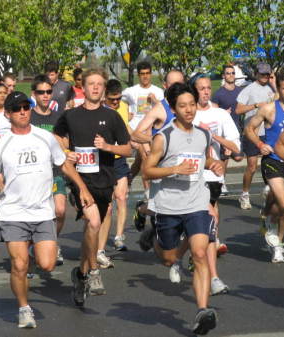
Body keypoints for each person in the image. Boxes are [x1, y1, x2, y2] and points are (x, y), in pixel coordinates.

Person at [0, 91, 91, 328]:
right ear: (7, 114)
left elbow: (64, 165)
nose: (22, 111)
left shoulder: (45, 138)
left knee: (47, 264)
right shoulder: (2, 144)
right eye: (16, 109)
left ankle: (29, 261)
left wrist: (82, 188)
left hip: (42, 213)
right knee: (19, 265)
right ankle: (24, 308)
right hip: (13, 214)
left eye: (25, 107)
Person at [141, 82, 222, 335]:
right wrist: (174, 169)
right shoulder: (163, 137)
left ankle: (202, 311)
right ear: (174, 109)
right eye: (183, 106)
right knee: (169, 258)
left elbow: (203, 156)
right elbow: (148, 170)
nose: (189, 110)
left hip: (197, 202)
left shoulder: (203, 134)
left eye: (192, 105)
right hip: (169, 206)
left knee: (199, 254)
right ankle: (152, 236)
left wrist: (214, 164)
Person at [54, 68, 131, 306]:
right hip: (79, 181)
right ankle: (94, 272)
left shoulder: (112, 117)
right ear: (83, 88)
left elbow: (128, 149)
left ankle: (80, 274)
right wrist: (67, 153)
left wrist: (108, 146)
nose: (96, 88)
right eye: (91, 84)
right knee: (95, 222)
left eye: (99, 84)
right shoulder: (71, 115)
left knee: (91, 227)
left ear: (103, 89)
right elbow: (56, 137)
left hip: (103, 181)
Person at [190, 74, 240, 293]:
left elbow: (236, 147)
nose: (206, 92)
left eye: (209, 88)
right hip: (191, 177)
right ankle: (213, 277)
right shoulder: (187, 115)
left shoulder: (220, 115)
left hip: (214, 178)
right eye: (201, 88)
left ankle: (202, 263)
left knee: (208, 227)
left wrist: (214, 137)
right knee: (211, 219)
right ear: (194, 91)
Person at [247, 67, 284, 263]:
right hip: (274, 161)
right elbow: (249, 129)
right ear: (278, 88)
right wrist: (260, 144)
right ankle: (271, 216)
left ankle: (278, 242)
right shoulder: (269, 109)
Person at [131, 69, 184, 231]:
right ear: (165, 86)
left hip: (183, 164)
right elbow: (136, 134)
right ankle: (142, 209)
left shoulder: (188, 106)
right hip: (162, 167)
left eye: (180, 84)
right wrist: (156, 141)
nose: (177, 87)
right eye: (173, 84)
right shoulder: (160, 109)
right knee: (159, 209)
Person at [30, 75, 67, 265]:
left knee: (60, 211)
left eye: (48, 91)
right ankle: (35, 246)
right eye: (41, 92)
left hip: (55, 172)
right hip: (34, 175)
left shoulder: (59, 117)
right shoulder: (27, 116)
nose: (45, 95)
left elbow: (66, 142)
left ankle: (52, 243)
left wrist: (65, 148)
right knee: (35, 215)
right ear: (33, 94)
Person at [96, 79, 132, 270]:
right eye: (112, 100)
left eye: (118, 99)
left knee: (122, 197)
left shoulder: (124, 108)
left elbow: (128, 131)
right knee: (107, 206)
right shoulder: (99, 112)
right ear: (105, 98)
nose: (116, 103)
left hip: (119, 159)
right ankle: (97, 244)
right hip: (104, 162)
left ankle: (119, 237)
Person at [236, 63, 276, 209]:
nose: (265, 77)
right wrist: (255, 105)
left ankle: (271, 193)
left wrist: (274, 83)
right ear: (256, 74)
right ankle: (245, 195)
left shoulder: (271, 88)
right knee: (252, 167)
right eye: (262, 74)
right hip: (252, 132)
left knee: (271, 166)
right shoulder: (249, 89)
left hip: (268, 132)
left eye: (267, 74)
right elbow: (238, 109)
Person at [212, 64, 244, 195]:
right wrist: (222, 112)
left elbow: (244, 107)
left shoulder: (240, 91)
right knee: (224, 158)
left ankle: (219, 180)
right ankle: (221, 183)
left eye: (232, 73)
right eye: (228, 73)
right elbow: (213, 111)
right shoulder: (218, 93)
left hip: (237, 129)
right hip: (223, 131)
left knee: (238, 157)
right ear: (223, 76)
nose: (231, 75)